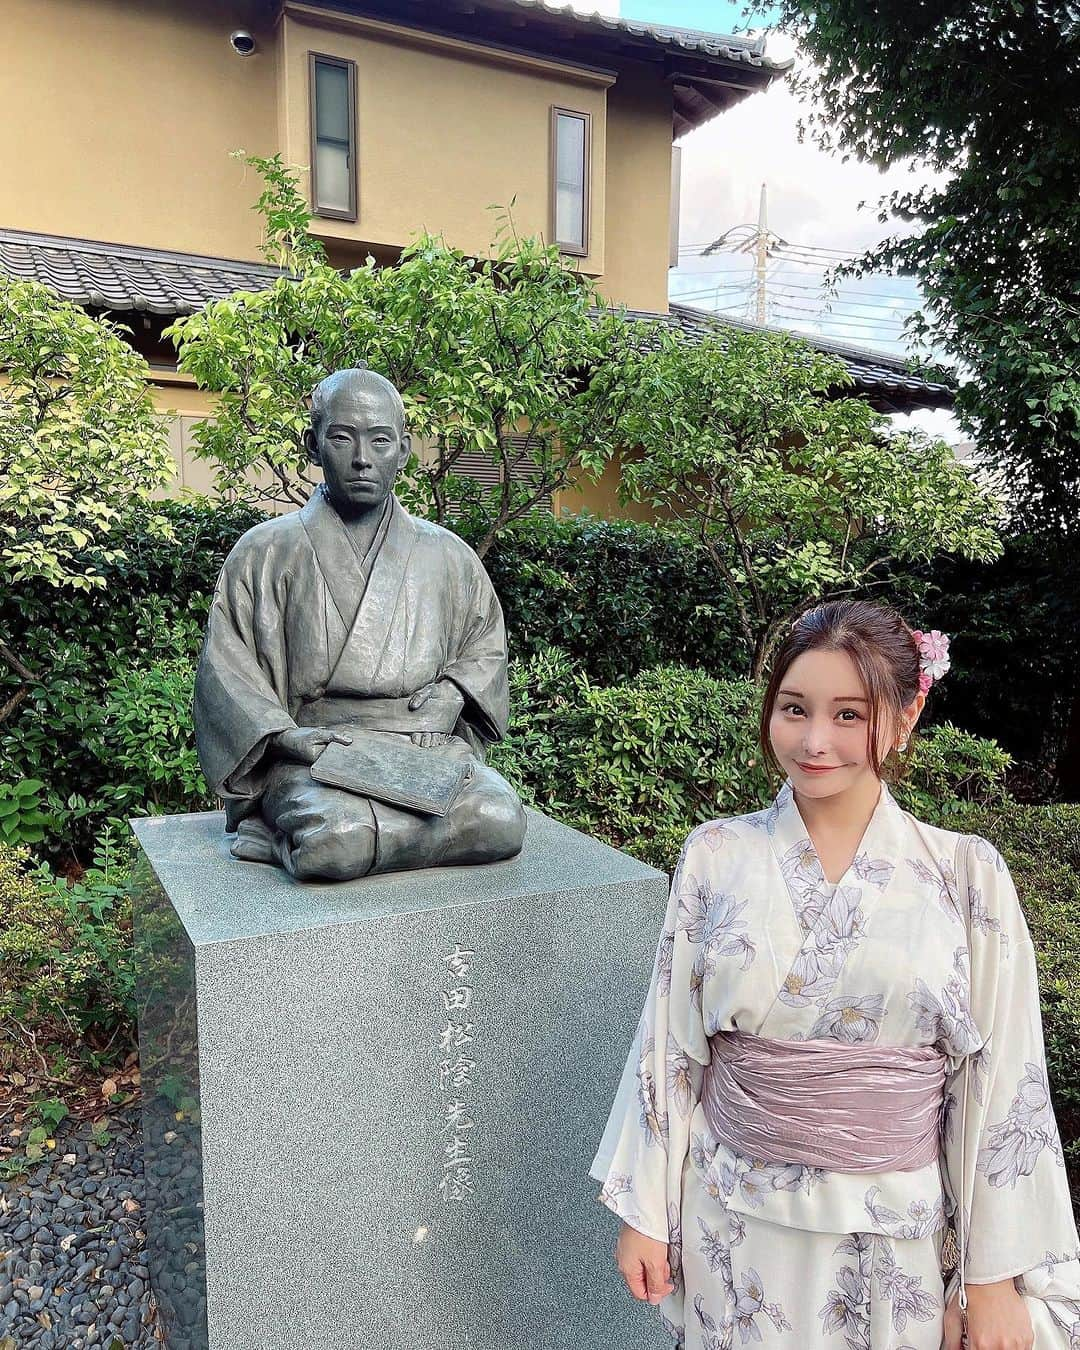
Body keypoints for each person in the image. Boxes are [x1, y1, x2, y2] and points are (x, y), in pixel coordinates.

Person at [590, 599, 1080, 1348]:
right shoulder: (716, 855)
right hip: (734, 1221)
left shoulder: (967, 874)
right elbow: (669, 1045)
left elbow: (1003, 1079)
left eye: (850, 716)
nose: (815, 741)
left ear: (906, 714)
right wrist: (645, 1212)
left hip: (892, 1234)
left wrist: (993, 1274)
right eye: (795, 708)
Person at [194, 366, 526, 881]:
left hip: (423, 750)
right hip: (316, 753)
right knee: (337, 841)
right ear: (312, 445)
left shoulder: (449, 555)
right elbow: (229, 669)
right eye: (342, 438)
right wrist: (286, 738)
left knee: (499, 819)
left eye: (380, 440)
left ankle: (298, 839)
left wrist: (455, 692)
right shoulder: (265, 552)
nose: (362, 459)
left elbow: (485, 645)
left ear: (405, 449)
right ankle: (306, 834)